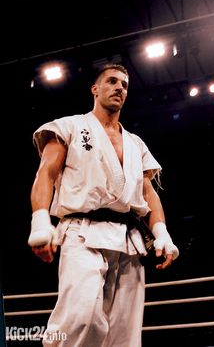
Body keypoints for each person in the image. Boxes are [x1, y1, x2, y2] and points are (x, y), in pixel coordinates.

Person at [28, 63, 179, 347]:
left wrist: (162, 234)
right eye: (112, 81)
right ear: (95, 89)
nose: (119, 88)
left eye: (124, 84)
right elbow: (45, 173)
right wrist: (40, 222)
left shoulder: (136, 144)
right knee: (81, 318)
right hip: (81, 231)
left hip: (129, 242)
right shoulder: (69, 126)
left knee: (124, 333)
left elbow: (149, 195)